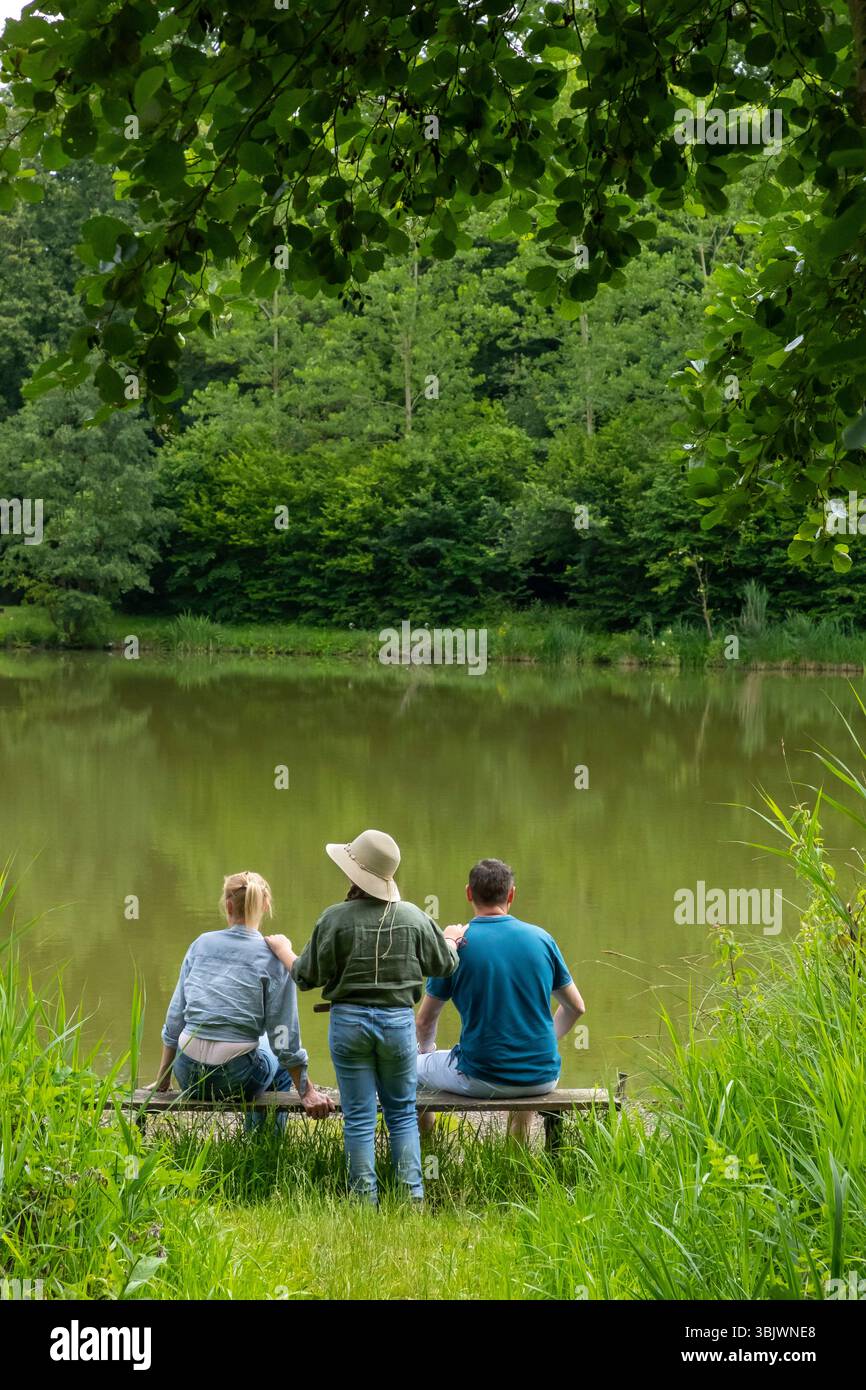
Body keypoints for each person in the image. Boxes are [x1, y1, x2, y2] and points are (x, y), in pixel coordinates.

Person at [265, 829, 461, 1206]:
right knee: (402, 1113)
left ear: (355, 873)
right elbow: (445, 965)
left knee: (358, 1116)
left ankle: (364, 1202)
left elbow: (305, 976)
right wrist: (451, 940)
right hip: (398, 1024)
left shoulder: (335, 919)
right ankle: (412, 1199)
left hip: (349, 1024)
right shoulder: (415, 918)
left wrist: (284, 950)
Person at [415, 857, 586, 1140]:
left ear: (469, 893)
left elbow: (424, 1021)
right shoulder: (541, 939)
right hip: (542, 1077)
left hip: (482, 1077)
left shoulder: (458, 946)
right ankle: (516, 1154)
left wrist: (426, 1053)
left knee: (409, 1068)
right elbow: (576, 1007)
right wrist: (537, 1042)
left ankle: (429, 1146)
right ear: (511, 894)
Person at [146, 870, 334, 1124]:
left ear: (228, 905)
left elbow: (175, 1016)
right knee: (279, 1064)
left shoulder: (200, 944)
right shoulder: (274, 958)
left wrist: (163, 1078)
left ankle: (257, 1145)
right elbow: (283, 1034)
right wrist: (306, 1091)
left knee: (252, 1041)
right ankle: (263, 1148)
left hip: (188, 1072)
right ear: (265, 905)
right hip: (236, 1078)